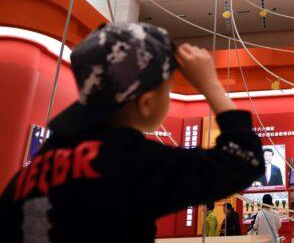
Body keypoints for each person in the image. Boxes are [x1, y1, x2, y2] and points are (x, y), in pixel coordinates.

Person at [0, 22, 264, 242]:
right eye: (167, 89)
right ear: (146, 103)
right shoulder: (127, 159)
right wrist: (210, 85)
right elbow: (244, 160)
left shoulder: (32, 172)